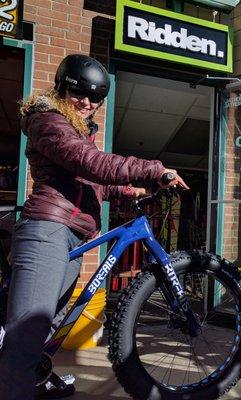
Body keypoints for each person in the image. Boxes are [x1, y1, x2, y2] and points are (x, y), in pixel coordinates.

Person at [0, 54, 189, 399]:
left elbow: (90, 180)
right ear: (61, 87)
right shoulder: (48, 120)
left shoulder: (74, 128)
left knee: (48, 329)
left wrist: (126, 189)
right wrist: (149, 169)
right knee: (26, 337)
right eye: (80, 93)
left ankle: (33, 382)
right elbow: (91, 164)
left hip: (71, 236)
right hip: (47, 231)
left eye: (96, 98)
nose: (88, 103)